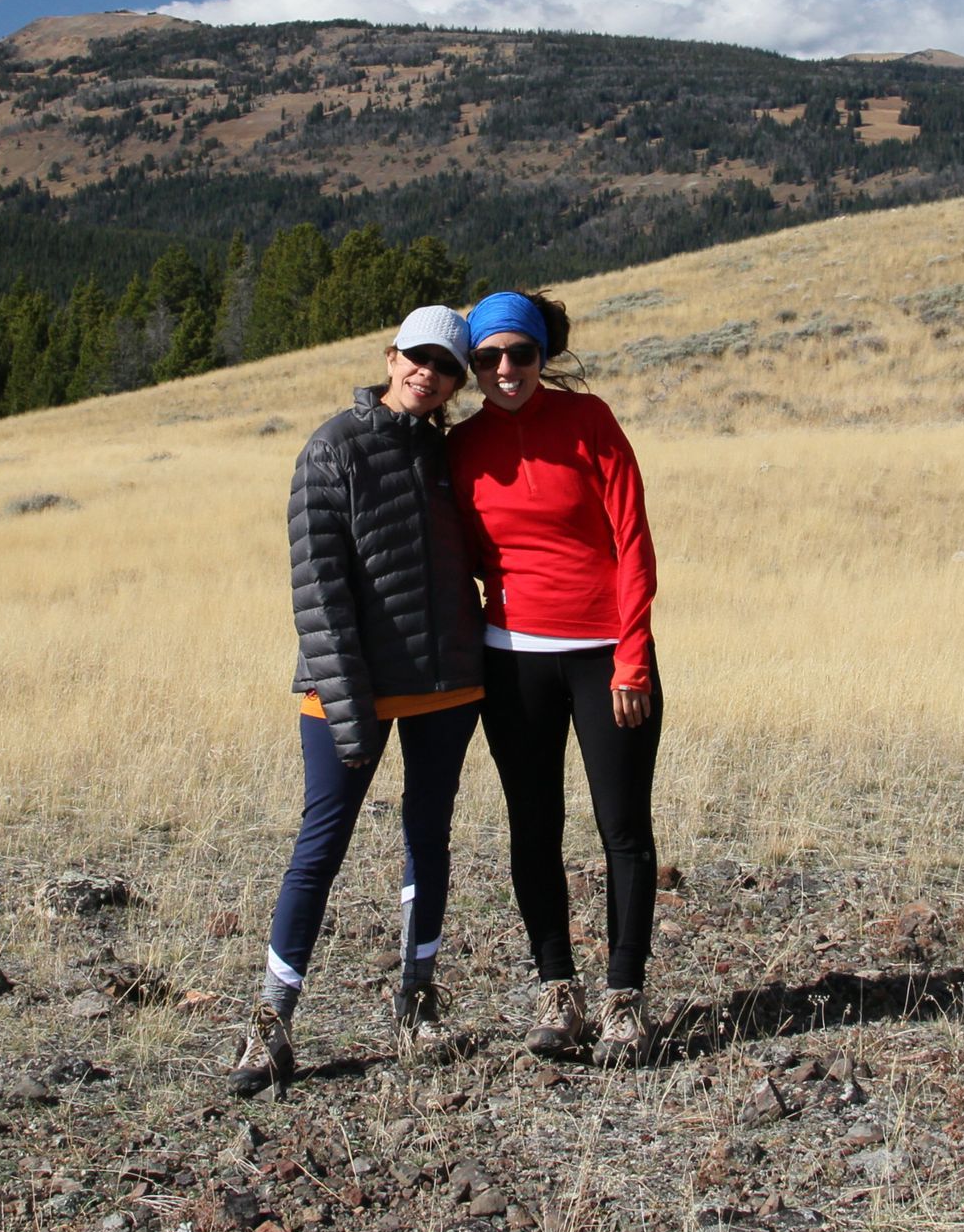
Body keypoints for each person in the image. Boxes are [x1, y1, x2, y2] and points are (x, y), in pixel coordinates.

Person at [231, 305, 486, 1098]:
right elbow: (319, 595)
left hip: (448, 684)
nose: (427, 374)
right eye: (416, 357)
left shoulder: (448, 454)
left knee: (429, 835)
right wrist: (348, 707)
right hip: (352, 692)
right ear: (389, 356)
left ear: (454, 385)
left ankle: (417, 1000)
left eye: (445, 368)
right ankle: (271, 1025)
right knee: (320, 846)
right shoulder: (331, 450)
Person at [446, 289, 663, 1067]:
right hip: (511, 662)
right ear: (471, 365)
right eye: (488, 358)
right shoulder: (461, 445)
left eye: (521, 354)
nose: (506, 371)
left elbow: (632, 541)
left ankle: (624, 998)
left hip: (607, 655)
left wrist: (632, 655)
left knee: (623, 829)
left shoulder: (590, 421)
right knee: (532, 828)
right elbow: (460, 556)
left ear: (544, 355)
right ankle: (557, 990)